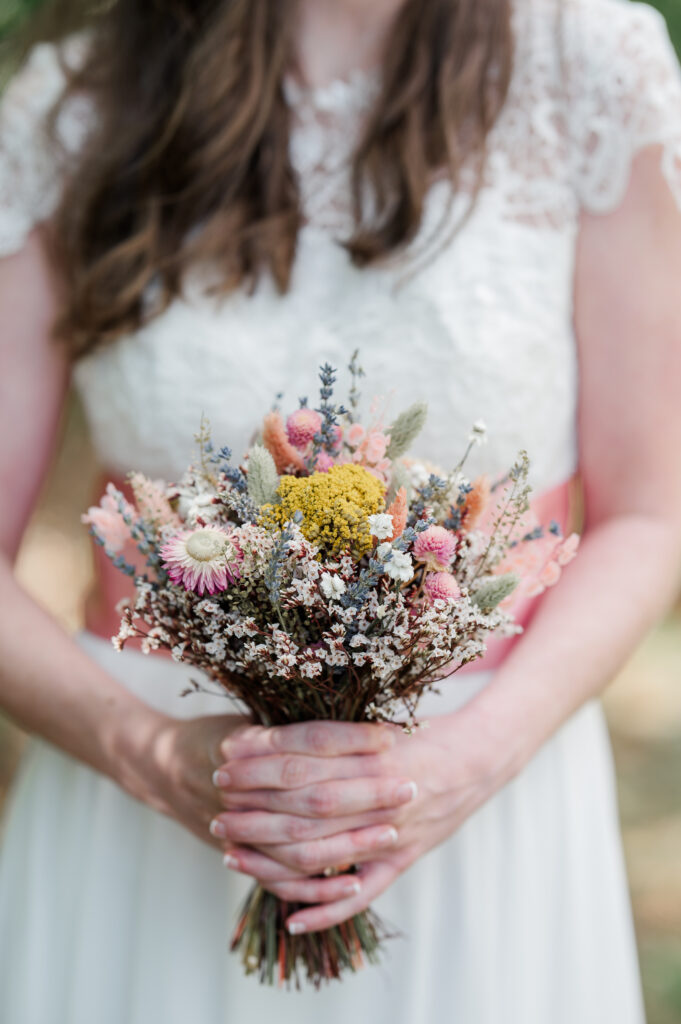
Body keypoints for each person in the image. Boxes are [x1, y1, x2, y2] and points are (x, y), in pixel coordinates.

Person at [1, 0, 681, 1020]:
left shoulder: (588, 66)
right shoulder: (77, 100)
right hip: (140, 794)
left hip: (487, 800)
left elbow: (648, 516)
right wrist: (152, 755)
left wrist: (462, 766)